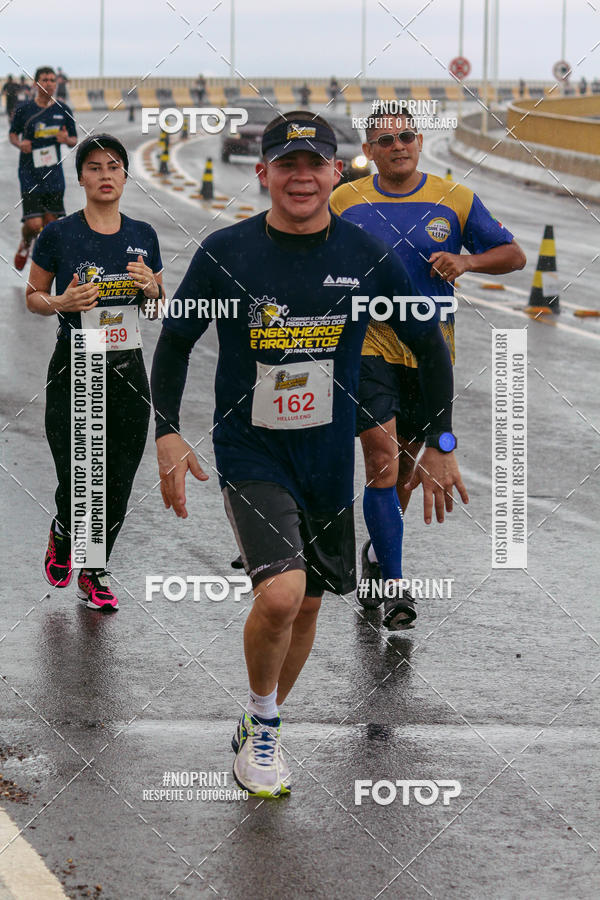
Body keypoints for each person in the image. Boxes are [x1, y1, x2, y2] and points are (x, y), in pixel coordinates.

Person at [151, 110, 468, 798]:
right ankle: (264, 729)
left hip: (328, 459)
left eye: (314, 164)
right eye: (285, 165)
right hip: (251, 449)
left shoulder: (365, 256)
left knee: (311, 606)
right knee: (281, 595)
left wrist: (440, 441)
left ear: (335, 172)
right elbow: (175, 344)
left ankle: (262, 716)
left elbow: (429, 349)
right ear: (263, 173)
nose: (301, 177)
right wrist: (167, 431)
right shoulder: (225, 253)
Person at [330, 113, 525, 628]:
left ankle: (377, 557)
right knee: (382, 459)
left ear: (419, 142)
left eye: (406, 136)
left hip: (432, 349)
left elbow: (514, 255)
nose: (398, 145)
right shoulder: (345, 201)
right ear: (369, 151)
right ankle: (396, 586)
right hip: (367, 343)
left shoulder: (455, 197)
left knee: (404, 476)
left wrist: (469, 263)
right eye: (385, 140)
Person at [25, 134, 164, 610]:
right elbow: (33, 298)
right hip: (77, 361)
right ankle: (65, 529)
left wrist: (152, 290)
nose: (106, 175)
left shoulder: (143, 234)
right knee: (80, 470)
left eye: (114, 167)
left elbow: (156, 303)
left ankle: (95, 570)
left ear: (125, 176)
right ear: (81, 177)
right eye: (95, 168)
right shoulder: (60, 234)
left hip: (128, 365)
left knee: (119, 473)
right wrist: (61, 302)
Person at [9, 66, 77, 271]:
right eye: (44, 80)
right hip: (29, 172)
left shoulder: (63, 110)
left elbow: (74, 139)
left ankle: (42, 266)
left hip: (54, 174)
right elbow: (13, 134)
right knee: (32, 224)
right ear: (36, 83)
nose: (49, 84)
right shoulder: (24, 110)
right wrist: (20, 144)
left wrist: (66, 139)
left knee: (49, 225)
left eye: (52, 80)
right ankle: (26, 243)